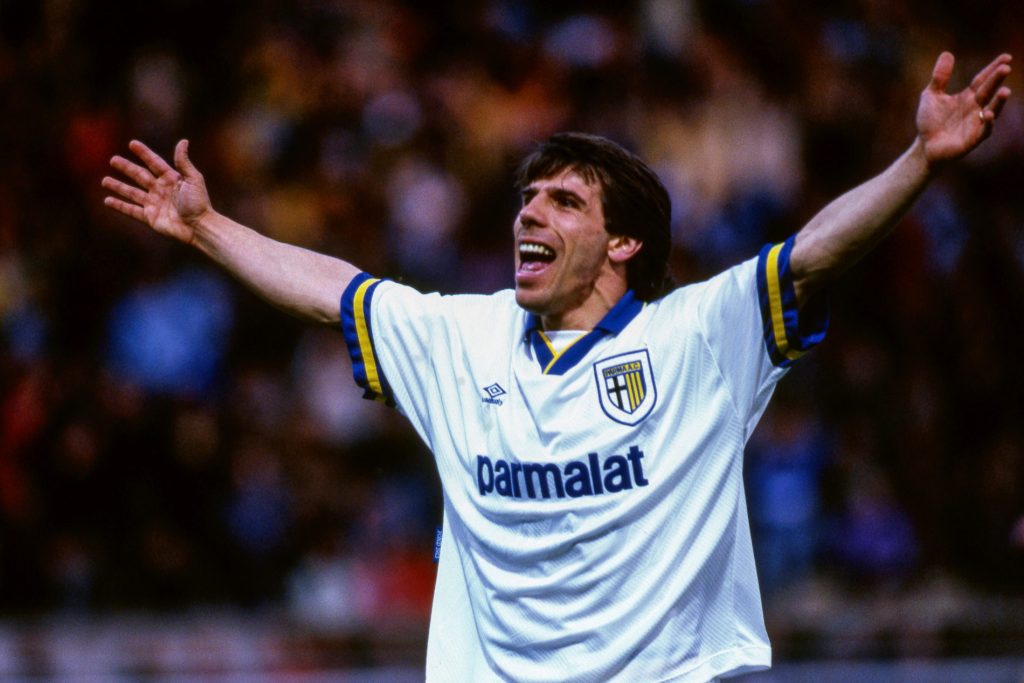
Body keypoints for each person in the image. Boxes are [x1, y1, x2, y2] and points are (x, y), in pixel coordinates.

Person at [102, 52, 1011, 682]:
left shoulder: (697, 336)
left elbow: (811, 255)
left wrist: (919, 161)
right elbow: (333, 291)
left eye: (565, 201)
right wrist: (206, 227)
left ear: (623, 242)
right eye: (528, 196)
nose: (530, 212)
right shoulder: (462, 336)